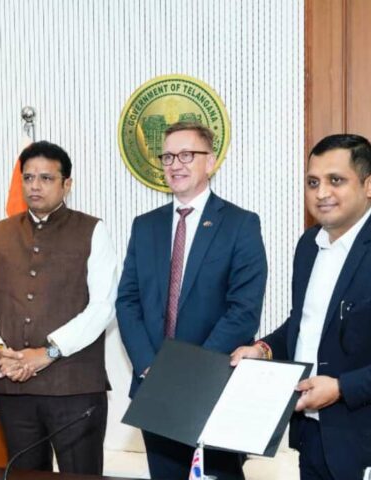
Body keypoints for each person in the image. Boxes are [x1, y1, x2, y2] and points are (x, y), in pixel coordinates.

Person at [231, 134, 371, 480]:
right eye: (313, 182)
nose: (321, 193)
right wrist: (264, 349)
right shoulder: (308, 245)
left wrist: (341, 388)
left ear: (370, 185)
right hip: (314, 439)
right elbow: (307, 324)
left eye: (336, 180)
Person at [117, 122, 268, 480]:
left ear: (210, 161)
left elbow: (243, 310)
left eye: (187, 155)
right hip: (154, 386)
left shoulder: (240, 224)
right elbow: (127, 302)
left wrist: (187, 372)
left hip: (213, 384)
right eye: (168, 157)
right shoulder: (145, 226)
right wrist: (149, 366)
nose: (175, 164)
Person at [0, 141, 117, 475]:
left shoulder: (92, 230)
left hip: (73, 387)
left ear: (67, 184)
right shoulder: (0, 233)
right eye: (29, 177)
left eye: (46, 178)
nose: (35, 186)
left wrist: (48, 353)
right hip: (13, 385)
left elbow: (103, 306)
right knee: (24, 475)